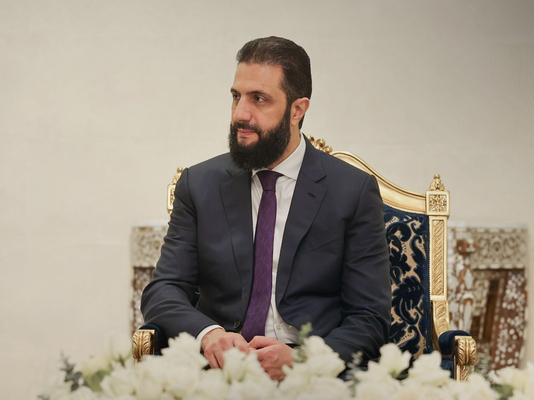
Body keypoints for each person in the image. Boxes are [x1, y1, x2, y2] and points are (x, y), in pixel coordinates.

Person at [141, 36, 391, 381]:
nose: (240, 114)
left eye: (258, 99)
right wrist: (209, 334)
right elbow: (163, 290)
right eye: (236, 97)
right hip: (219, 374)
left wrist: (304, 361)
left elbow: (370, 317)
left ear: (297, 110)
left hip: (312, 378)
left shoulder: (352, 191)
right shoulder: (199, 185)